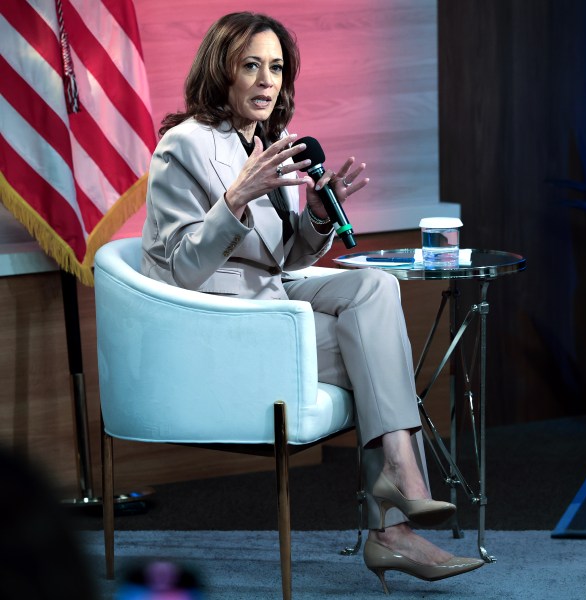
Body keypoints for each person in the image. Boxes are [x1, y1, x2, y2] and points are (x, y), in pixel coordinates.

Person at [141, 11, 484, 593]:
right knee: (372, 349)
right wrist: (236, 198)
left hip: (272, 298)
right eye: (250, 65)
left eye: (275, 67)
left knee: (376, 286)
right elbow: (182, 270)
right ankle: (395, 519)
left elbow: (282, 260)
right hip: (218, 321)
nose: (265, 81)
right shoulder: (184, 145)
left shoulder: (270, 143)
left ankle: (396, 495)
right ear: (220, 72)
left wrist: (319, 219)